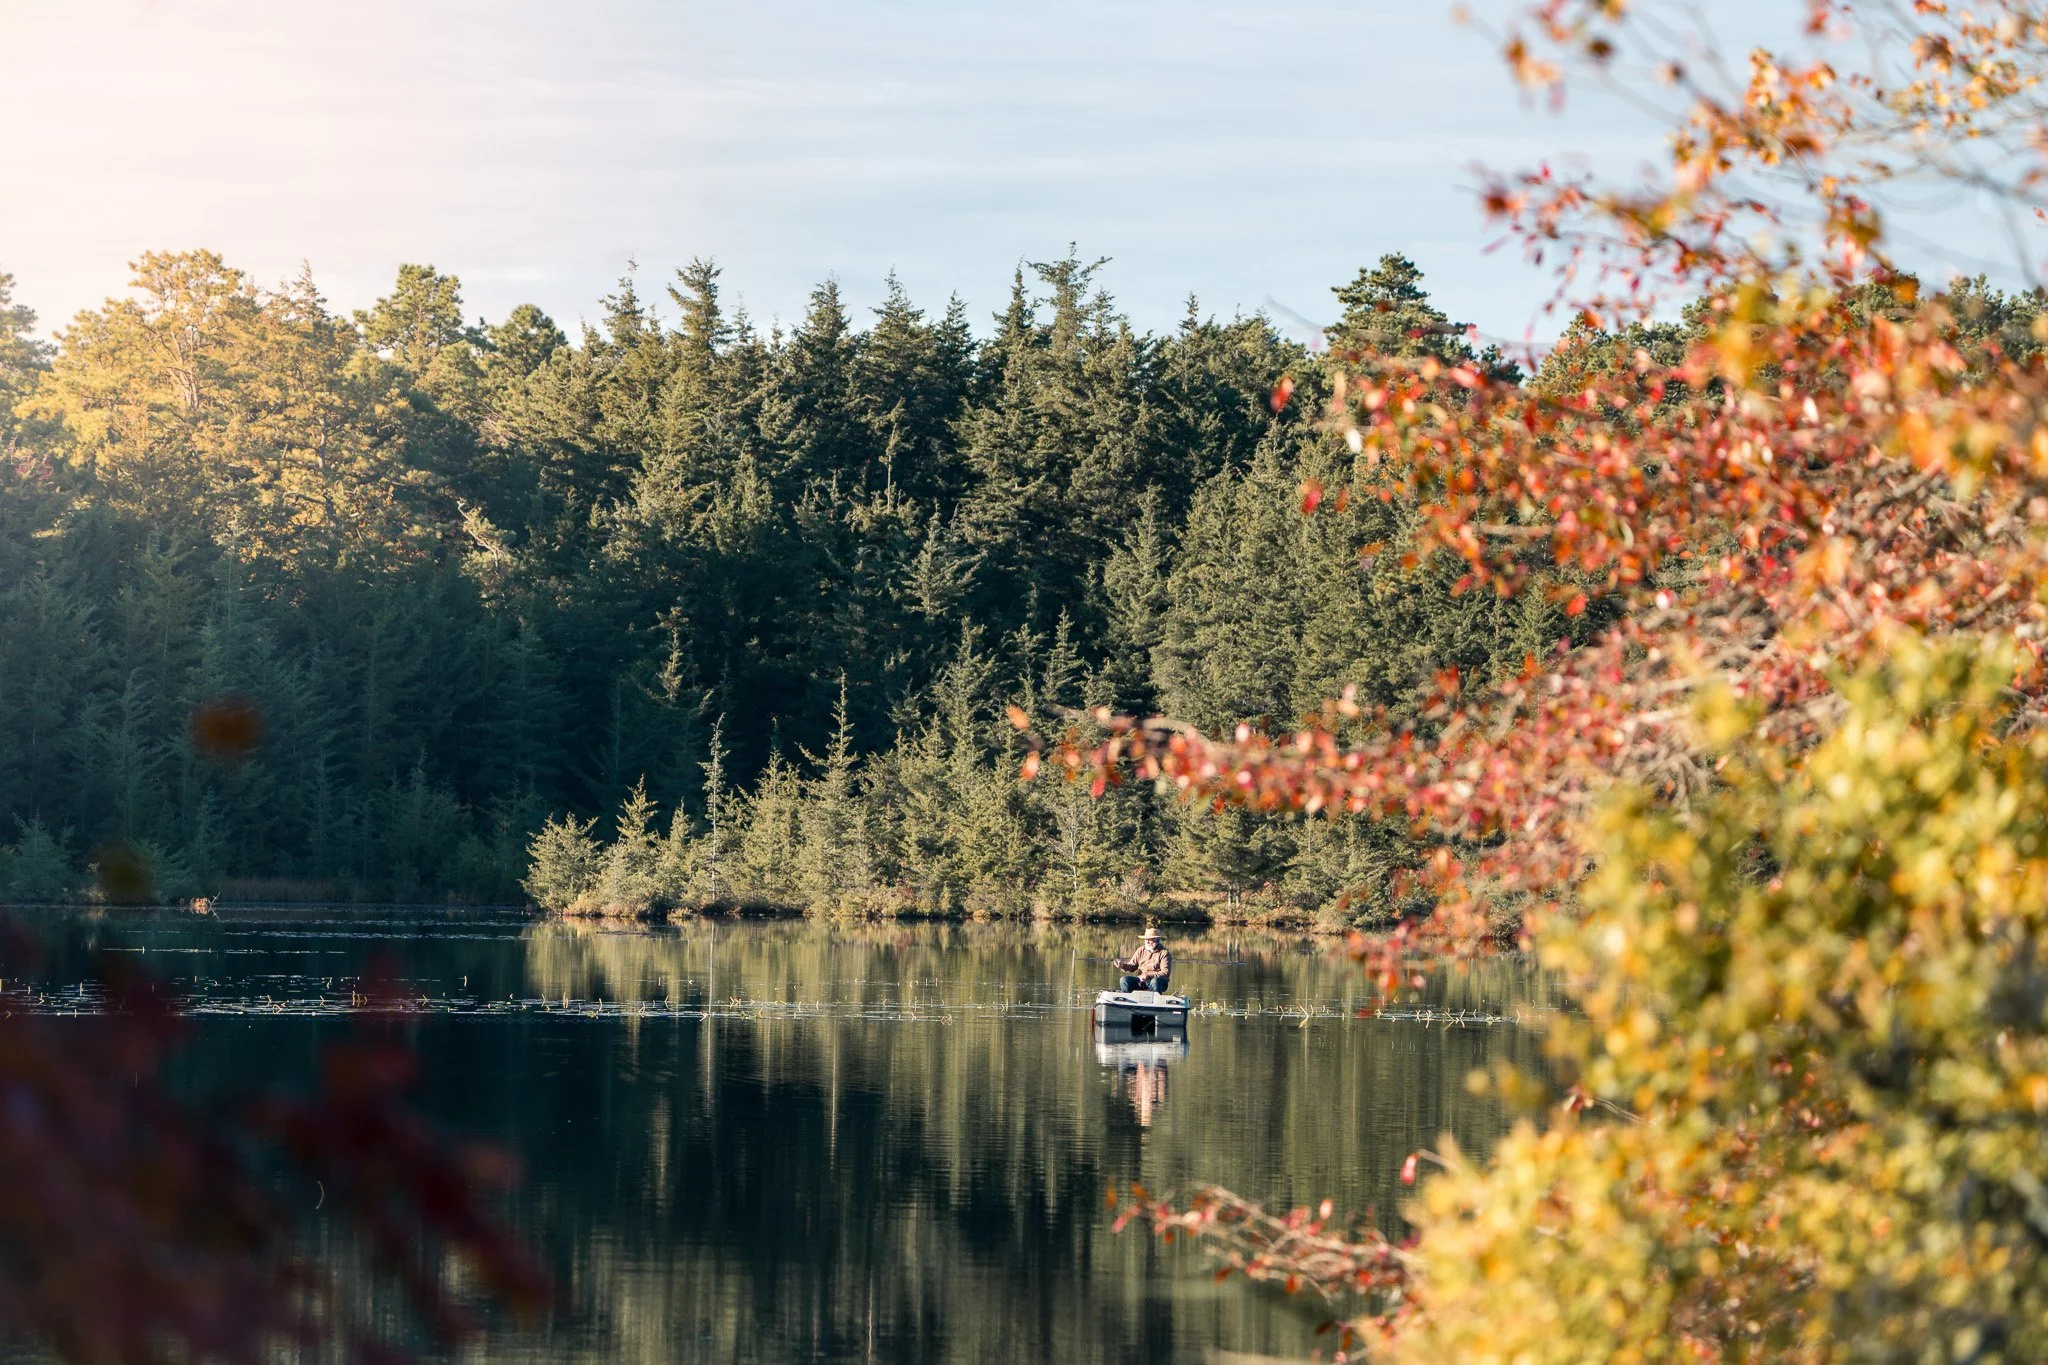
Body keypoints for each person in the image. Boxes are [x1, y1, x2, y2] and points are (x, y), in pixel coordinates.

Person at [1114, 927, 1172, 994]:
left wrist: (1148, 975)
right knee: (1124, 980)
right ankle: (1126, 1001)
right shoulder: (1141, 950)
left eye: (1150, 939)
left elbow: (1165, 973)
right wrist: (1122, 965)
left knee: (1155, 981)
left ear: (1157, 940)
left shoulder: (1164, 953)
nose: (1147, 942)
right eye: (1146, 939)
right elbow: (1132, 966)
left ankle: (1156, 1000)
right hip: (1141, 980)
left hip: (1157, 982)